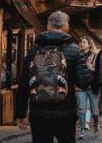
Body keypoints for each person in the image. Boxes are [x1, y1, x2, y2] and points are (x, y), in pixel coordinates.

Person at [16, 11, 85, 143]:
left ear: (48, 27)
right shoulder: (74, 50)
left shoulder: (33, 51)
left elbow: (24, 84)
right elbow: (83, 82)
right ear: (66, 28)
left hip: (39, 113)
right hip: (65, 113)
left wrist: (21, 114)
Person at [78, 37, 100, 136]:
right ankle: (82, 130)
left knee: (94, 110)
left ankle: (96, 126)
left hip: (92, 86)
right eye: (81, 42)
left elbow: (98, 70)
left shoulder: (95, 56)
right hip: (80, 86)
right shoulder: (78, 55)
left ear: (89, 44)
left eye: (84, 42)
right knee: (82, 109)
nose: (82, 44)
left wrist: (90, 67)